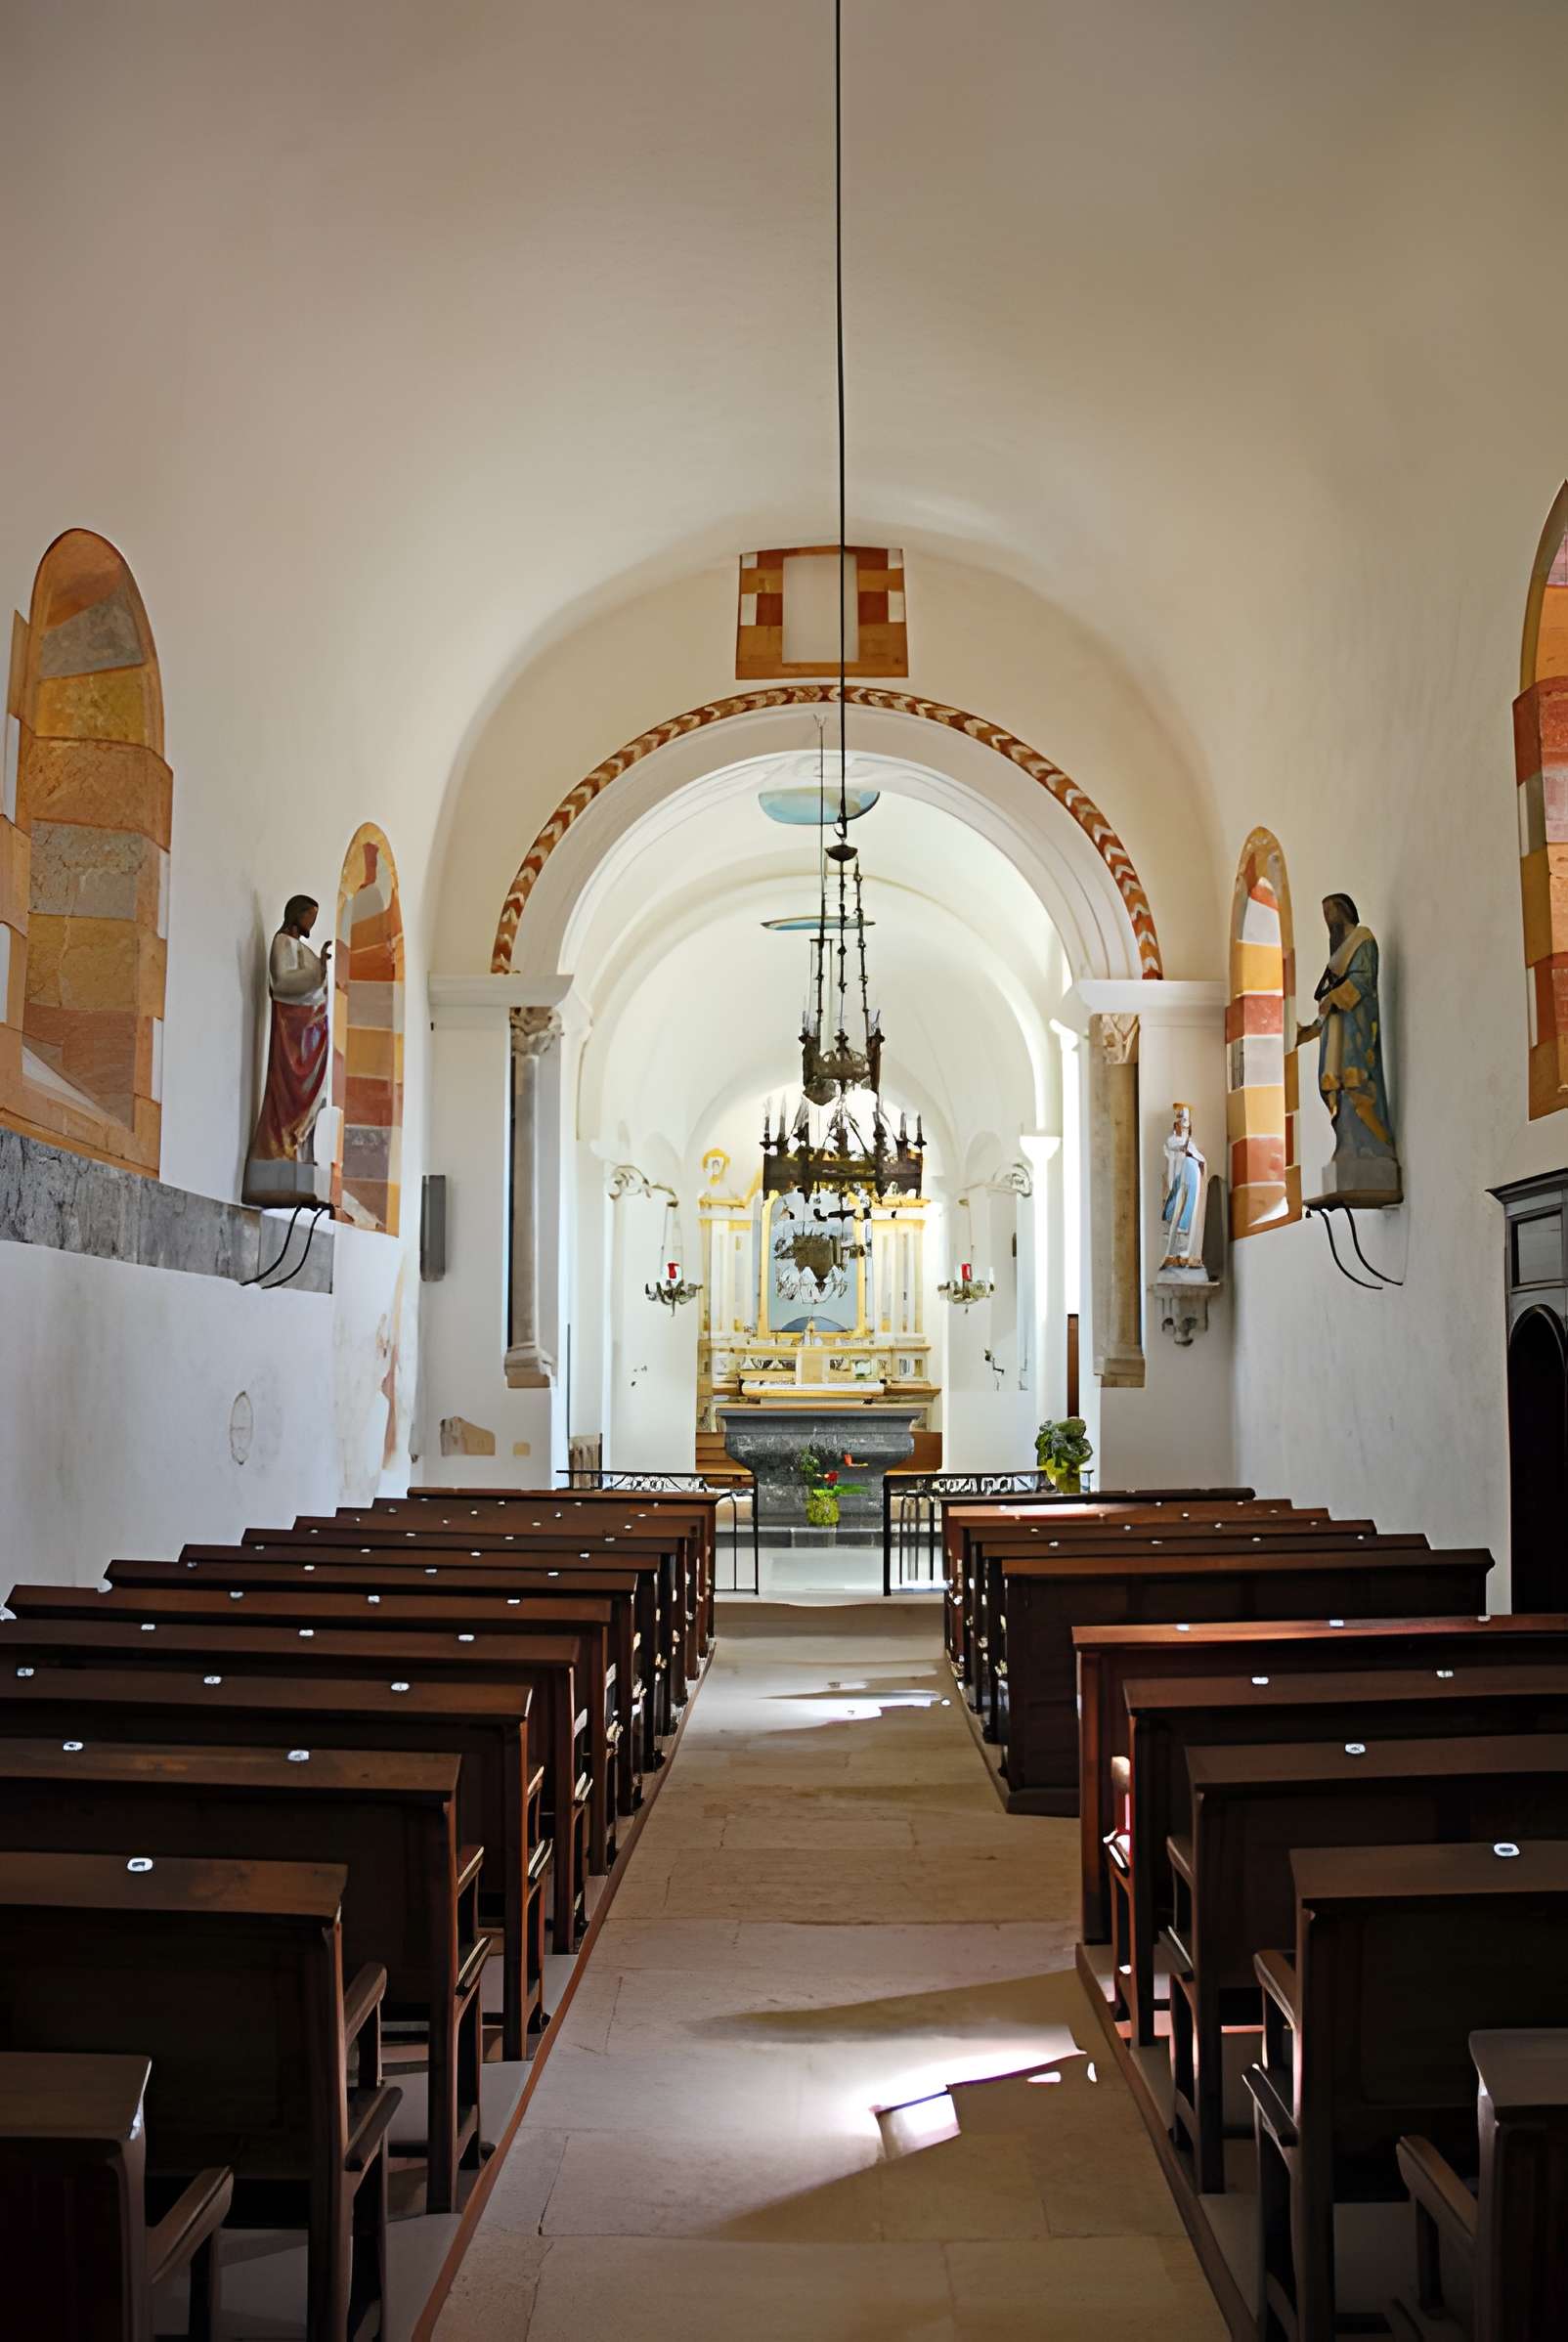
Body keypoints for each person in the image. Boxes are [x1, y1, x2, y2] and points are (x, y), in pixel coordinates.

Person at [1294, 892, 1397, 1168]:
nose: (1327, 920)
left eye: (1331, 913)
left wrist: (1334, 998)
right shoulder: (1337, 956)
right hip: (1336, 1035)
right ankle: (1348, 1145)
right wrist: (1309, 1031)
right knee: (1334, 1089)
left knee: (1355, 1084)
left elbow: (1363, 981)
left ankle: (1371, 1148)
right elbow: (1327, 1009)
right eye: (1324, 914)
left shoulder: (1363, 941)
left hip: (1356, 1031)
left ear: (1344, 912)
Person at [247, 893, 332, 1173]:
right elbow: (282, 981)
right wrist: (318, 971)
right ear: (297, 914)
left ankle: (299, 1148)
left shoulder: (303, 950)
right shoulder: (282, 943)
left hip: (312, 1030)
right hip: (292, 1030)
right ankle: (281, 1149)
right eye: (310, 916)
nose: (312, 922)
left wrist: (319, 973)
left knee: (315, 1095)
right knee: (290, 1093)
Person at [1159, 1102, 1205, 1270]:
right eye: (1180, 1123)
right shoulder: (1172, 1140)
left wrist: (1196, 1158)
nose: (1183, 1127)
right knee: (1176, 1210)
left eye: (1186, 1124)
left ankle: (1186, 1252)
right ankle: (1170, 1254)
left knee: (1189, 1212)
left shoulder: (1191, 1144)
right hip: (1179, 1180)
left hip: (1191, 1181)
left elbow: (1200, 1158)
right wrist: (1184, 1149)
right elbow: (1173, 1149)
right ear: (1175, 1124)